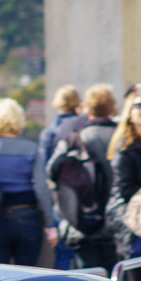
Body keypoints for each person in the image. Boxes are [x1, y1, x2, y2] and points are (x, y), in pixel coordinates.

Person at [0, 98, 58, 265]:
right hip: (27, 217)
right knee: (27, 276)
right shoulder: (32, 149)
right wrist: (50, 224)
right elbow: (41, 187)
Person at [47, 83, 118, 273]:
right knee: (119, 280)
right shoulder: (122, 136)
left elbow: (51, 169)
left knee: (90, 279)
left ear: (86, 108)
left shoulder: (74, 138)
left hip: (84, 218)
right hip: (118, 219)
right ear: (113, 108)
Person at [107, 89, 141, 261]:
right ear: (130, 115)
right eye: (138, 105)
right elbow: (126, 190)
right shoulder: (125, 148)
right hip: (132, 219)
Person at [39, 86, 82, 270]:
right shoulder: (84, 125)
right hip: (85, 194)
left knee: (63, 253)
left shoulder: (49, 133)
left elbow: (43, 168)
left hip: (59, 197)